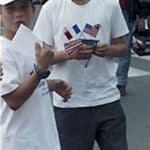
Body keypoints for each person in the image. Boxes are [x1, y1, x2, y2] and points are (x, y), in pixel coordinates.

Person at [34, 0, 129, 150]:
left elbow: (123, 46)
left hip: (108, 99)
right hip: (69, 103)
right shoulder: (51, 8)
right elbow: (40, 57)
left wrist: (108, 50)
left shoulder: (110, 4)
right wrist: (69, 54)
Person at [0, 0, 72, 150]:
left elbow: (26, 81)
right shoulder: (3, 51)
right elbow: (13, 100)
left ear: (33, 10)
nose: (18, 14)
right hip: (18, 141)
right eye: (10, 9)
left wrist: (51, 84)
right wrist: (40, 70)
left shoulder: (31, 44)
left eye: (24, 7)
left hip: (43, 138)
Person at [116, 0, 140, 97]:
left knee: (124, 48)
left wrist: (143, 16)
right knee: (105, 49)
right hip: (104, 10)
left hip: (126, 10)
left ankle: (121, 83)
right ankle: (108, 82)